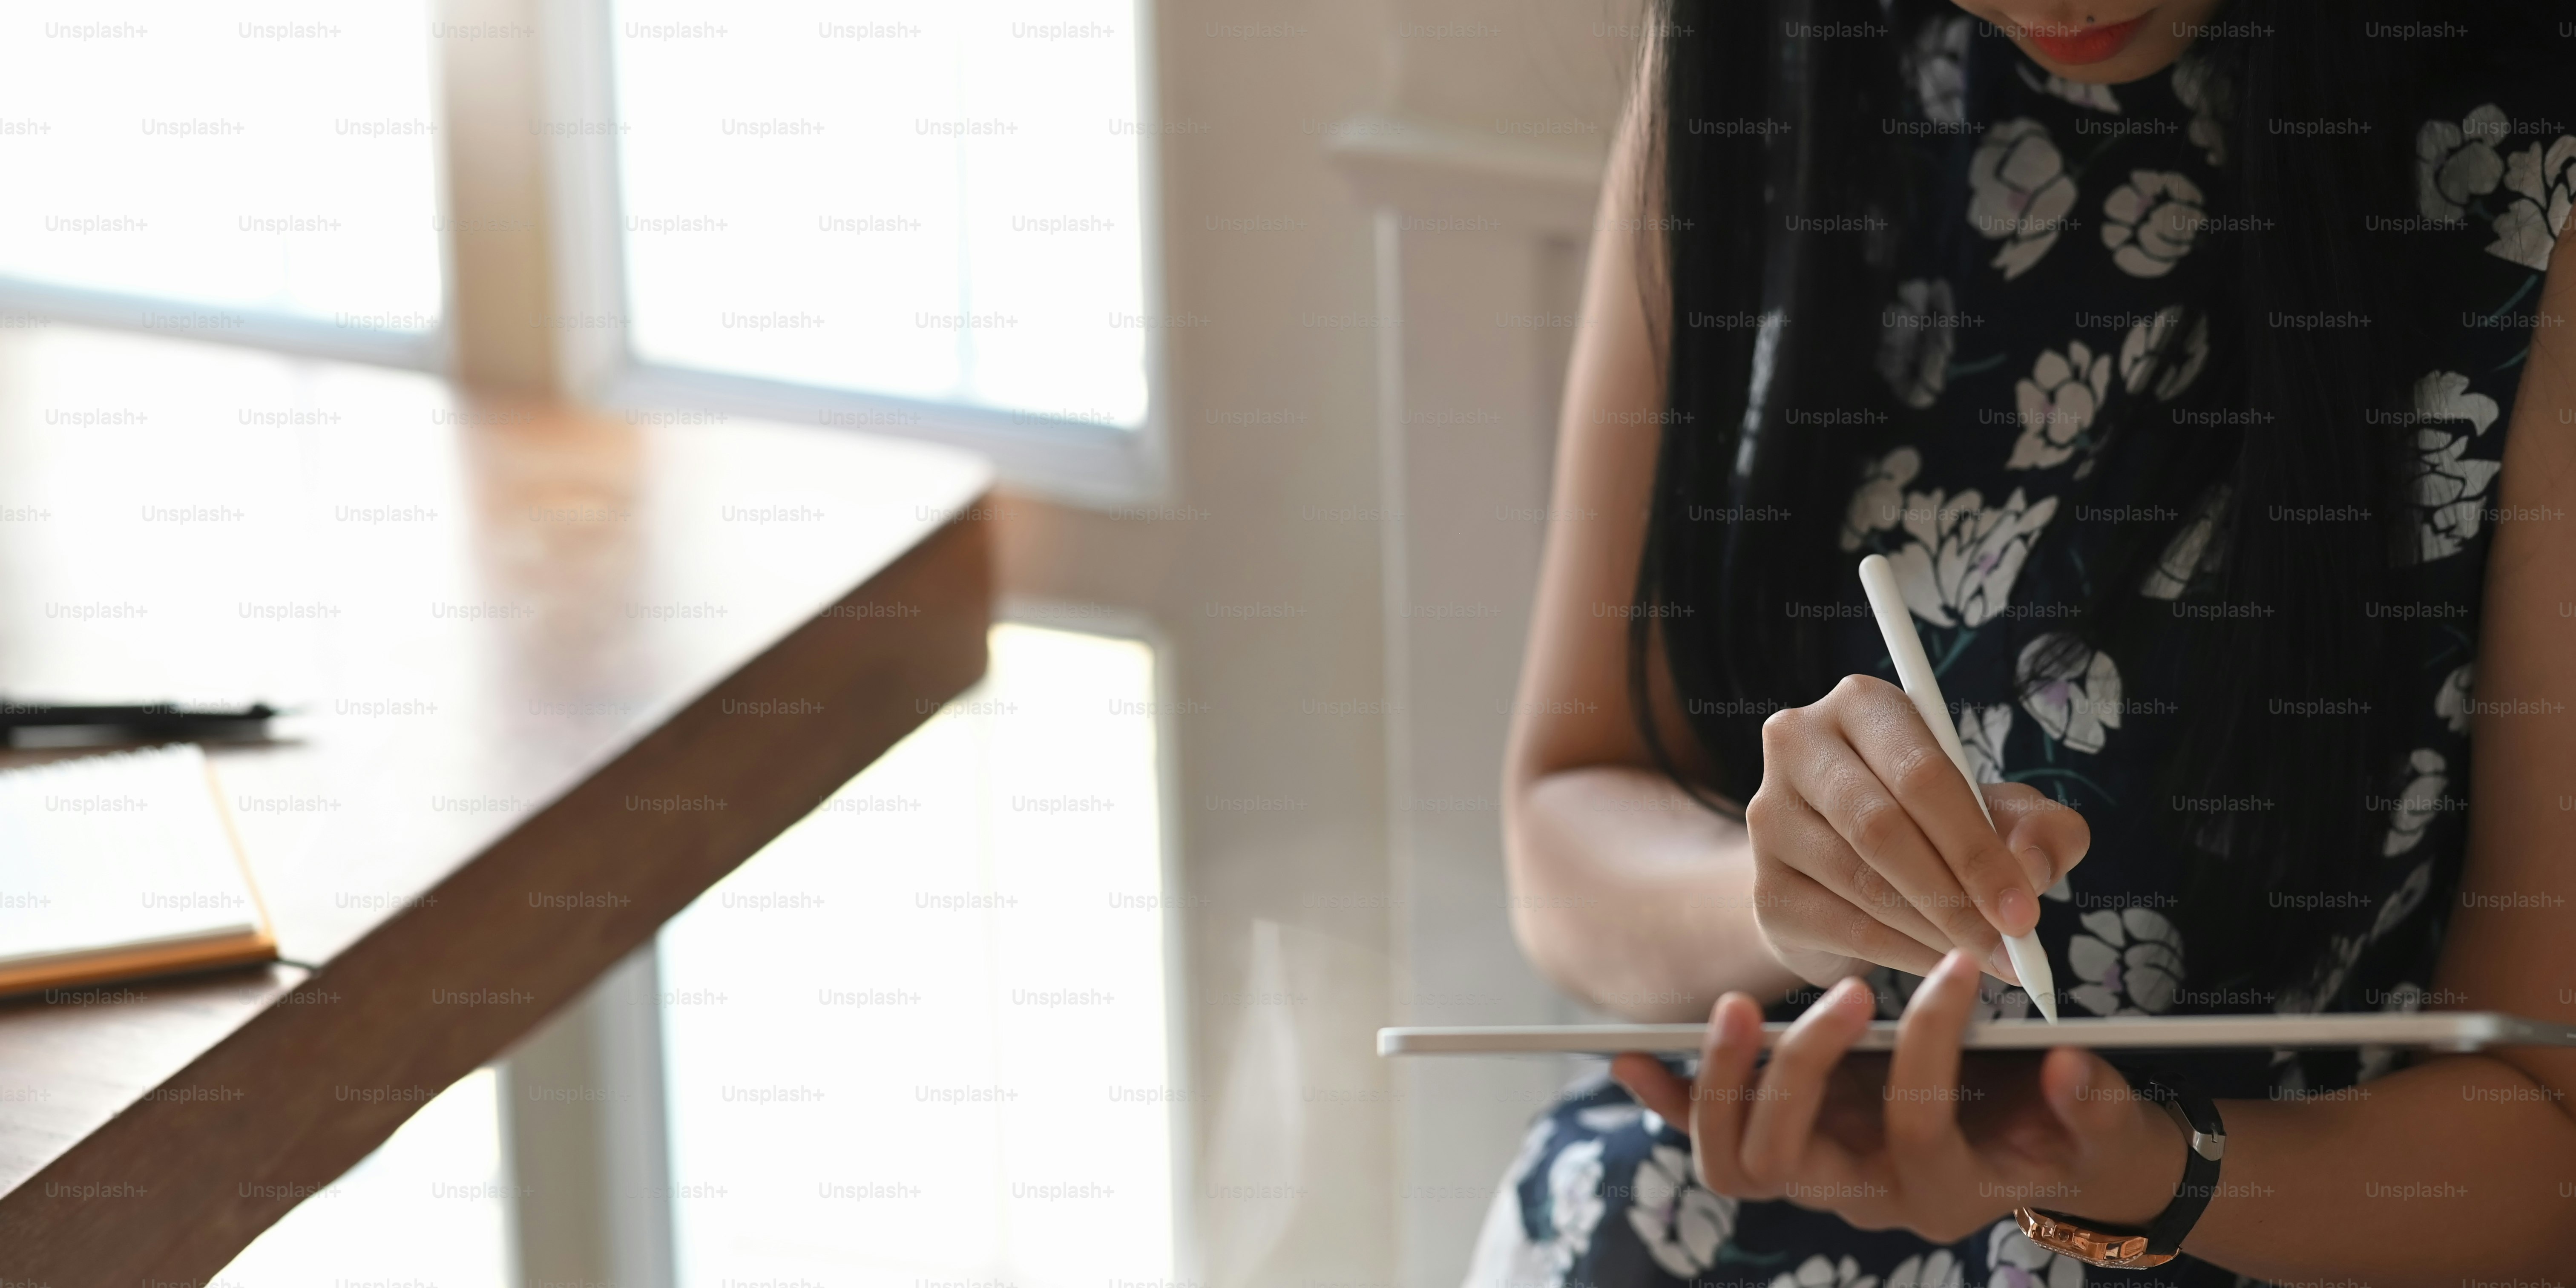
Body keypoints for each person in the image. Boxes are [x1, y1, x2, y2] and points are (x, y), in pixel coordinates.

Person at [1477, 0, 2576, 1282]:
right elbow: (1565, 811)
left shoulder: (2530, 163)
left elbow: (2545, 1143)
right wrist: (1795, 894)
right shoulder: (1768, 57)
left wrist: (2128, 1173)